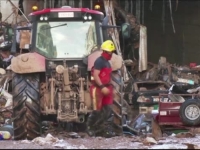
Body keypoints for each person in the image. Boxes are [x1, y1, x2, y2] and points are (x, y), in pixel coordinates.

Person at [86, 40, 116, 138]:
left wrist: (110, 86)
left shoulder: (108, 62)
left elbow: (108, 75)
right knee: (97, 111)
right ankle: (90, 128)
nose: (111, 54)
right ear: (104, 51)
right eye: (109, 52)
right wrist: (102, 87)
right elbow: (95, 75)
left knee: (108, 110)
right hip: (98, 89)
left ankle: (106, 130)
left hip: (107, 88)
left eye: (111, 52)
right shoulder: (99, 61)